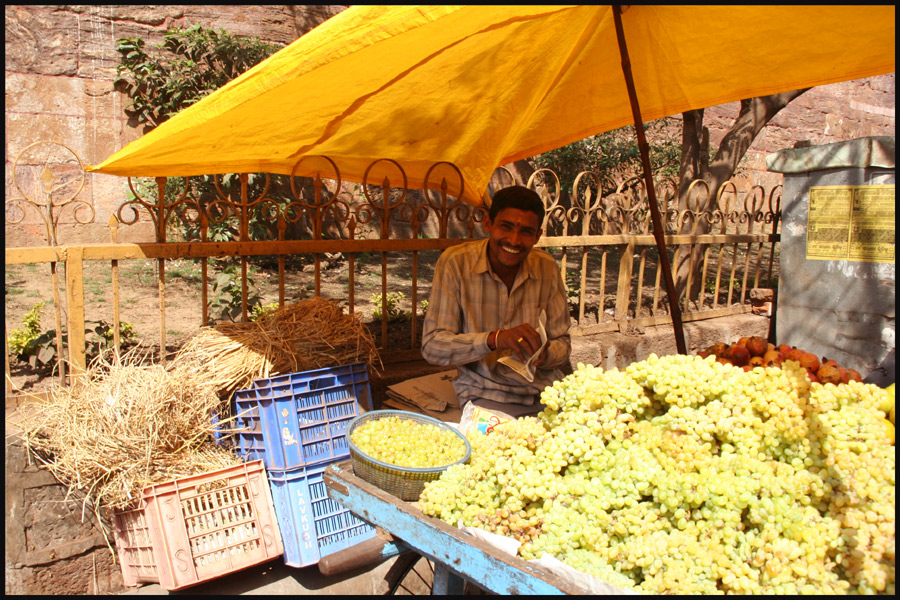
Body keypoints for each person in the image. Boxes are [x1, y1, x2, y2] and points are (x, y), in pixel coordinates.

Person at [421, 185, 571, 417]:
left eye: (526, 232)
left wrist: (545, 353)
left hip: (545, 392)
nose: (514, 240)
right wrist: (495, 339)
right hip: (485, 394)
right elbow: (432, 347)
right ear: (489, 224)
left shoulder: (547, 268)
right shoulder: (455, 263)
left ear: (537, 236)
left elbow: (563, 343)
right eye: (506, 227)